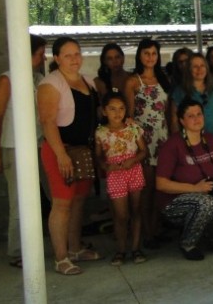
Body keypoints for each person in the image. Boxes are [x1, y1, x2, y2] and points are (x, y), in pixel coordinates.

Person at [38, 37, 101, 275]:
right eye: (68, 55)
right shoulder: (50, 84)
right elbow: (47, 121)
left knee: (78, 202)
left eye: (77, 53)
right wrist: (61, 155)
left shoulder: (86, 81)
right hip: (60, 150)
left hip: (82, 151)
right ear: (56, 58)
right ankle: (61, 257)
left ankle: (75, 249)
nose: (74, 59)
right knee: (62, 204)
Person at [156, 99, 213, 261]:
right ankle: (187, 244)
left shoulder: (211, 140)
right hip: (175, 203)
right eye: (190, 116)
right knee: (205, 202)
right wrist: (196, 188)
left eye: (199, 114)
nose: (196, 119)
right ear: (182, 121)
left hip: (211, 198)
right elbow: (161, 184)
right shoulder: (172, 145)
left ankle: (201, 230)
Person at [0, 34, 46, 269]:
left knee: (51, 194)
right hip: (14, 146)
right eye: (40, 54)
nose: (43, 58)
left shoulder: (39, 79)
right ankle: (16, 251)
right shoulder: (8, 79)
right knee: (19, 200)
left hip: (39, 143)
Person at [122, 38, 171, 249]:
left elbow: (169, 112)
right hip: (145, 139)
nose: (150, 57)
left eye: (154, 53)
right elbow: (129, 116)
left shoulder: (164, 79)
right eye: (146, 53)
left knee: (162, 187)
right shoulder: (133, 81)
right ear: (139, 55)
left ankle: (158, 228)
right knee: (147, 189)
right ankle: (146, 233)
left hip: (163, 137)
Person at [94, 93, 148, 266]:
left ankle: (136, 248)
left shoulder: (133, 128)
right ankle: (121, 250)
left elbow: (143, 151)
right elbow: (99, 157)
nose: (117, 113)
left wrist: (133, 160)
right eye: (112, 109)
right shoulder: (101, 132)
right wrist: (106, 166)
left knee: (136, 210)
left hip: (134, 170)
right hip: (115, 174)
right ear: (104, 111)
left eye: (121, 109)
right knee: (121, 215)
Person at [170, 53, 213, 144]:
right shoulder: (179, 92)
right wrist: (179, 144)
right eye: (195, 66)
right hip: (192, 145)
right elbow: (174, 121)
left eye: (202, 66)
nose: (199, 69)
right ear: (189, 70)